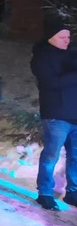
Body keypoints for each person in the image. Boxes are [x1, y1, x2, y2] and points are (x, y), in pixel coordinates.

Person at [31, 20, 77, 211]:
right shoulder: (41, 58)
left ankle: (73, 192)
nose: (67, 40)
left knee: (76, 157)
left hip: (75, 114)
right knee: (51, 156)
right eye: (62, 37)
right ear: (50, 38)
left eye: (69, 37)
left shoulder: (72, 56)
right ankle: (45, 193)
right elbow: (51, 83)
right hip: (56, 115)